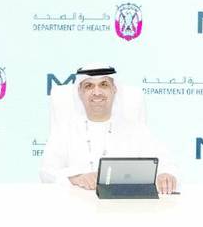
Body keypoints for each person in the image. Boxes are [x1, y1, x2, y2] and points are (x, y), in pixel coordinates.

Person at [39, 64, 178, 194]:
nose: (97, 92)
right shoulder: (64, 131)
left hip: (124, 206)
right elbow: (47, 172)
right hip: (76, 205)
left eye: (104, 85)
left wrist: (165, 175)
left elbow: (166, 164)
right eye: (89, 86)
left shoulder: (136, 130)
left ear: (114, 89)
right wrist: (75, 178)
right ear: (80, 92)